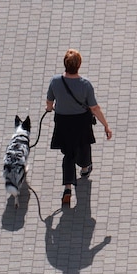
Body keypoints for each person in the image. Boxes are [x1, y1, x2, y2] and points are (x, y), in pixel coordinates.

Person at [45, 49, 112, 204]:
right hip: (81, 122)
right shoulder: (85, 84)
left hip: (63, 123)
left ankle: (67, 187)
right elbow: (94, 108)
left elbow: (49, 102)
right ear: (79, 65)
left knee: (68, 155)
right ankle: (84, 168)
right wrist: (106, 126)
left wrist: (50, 108)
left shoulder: (55, 81)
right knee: (83, 146)